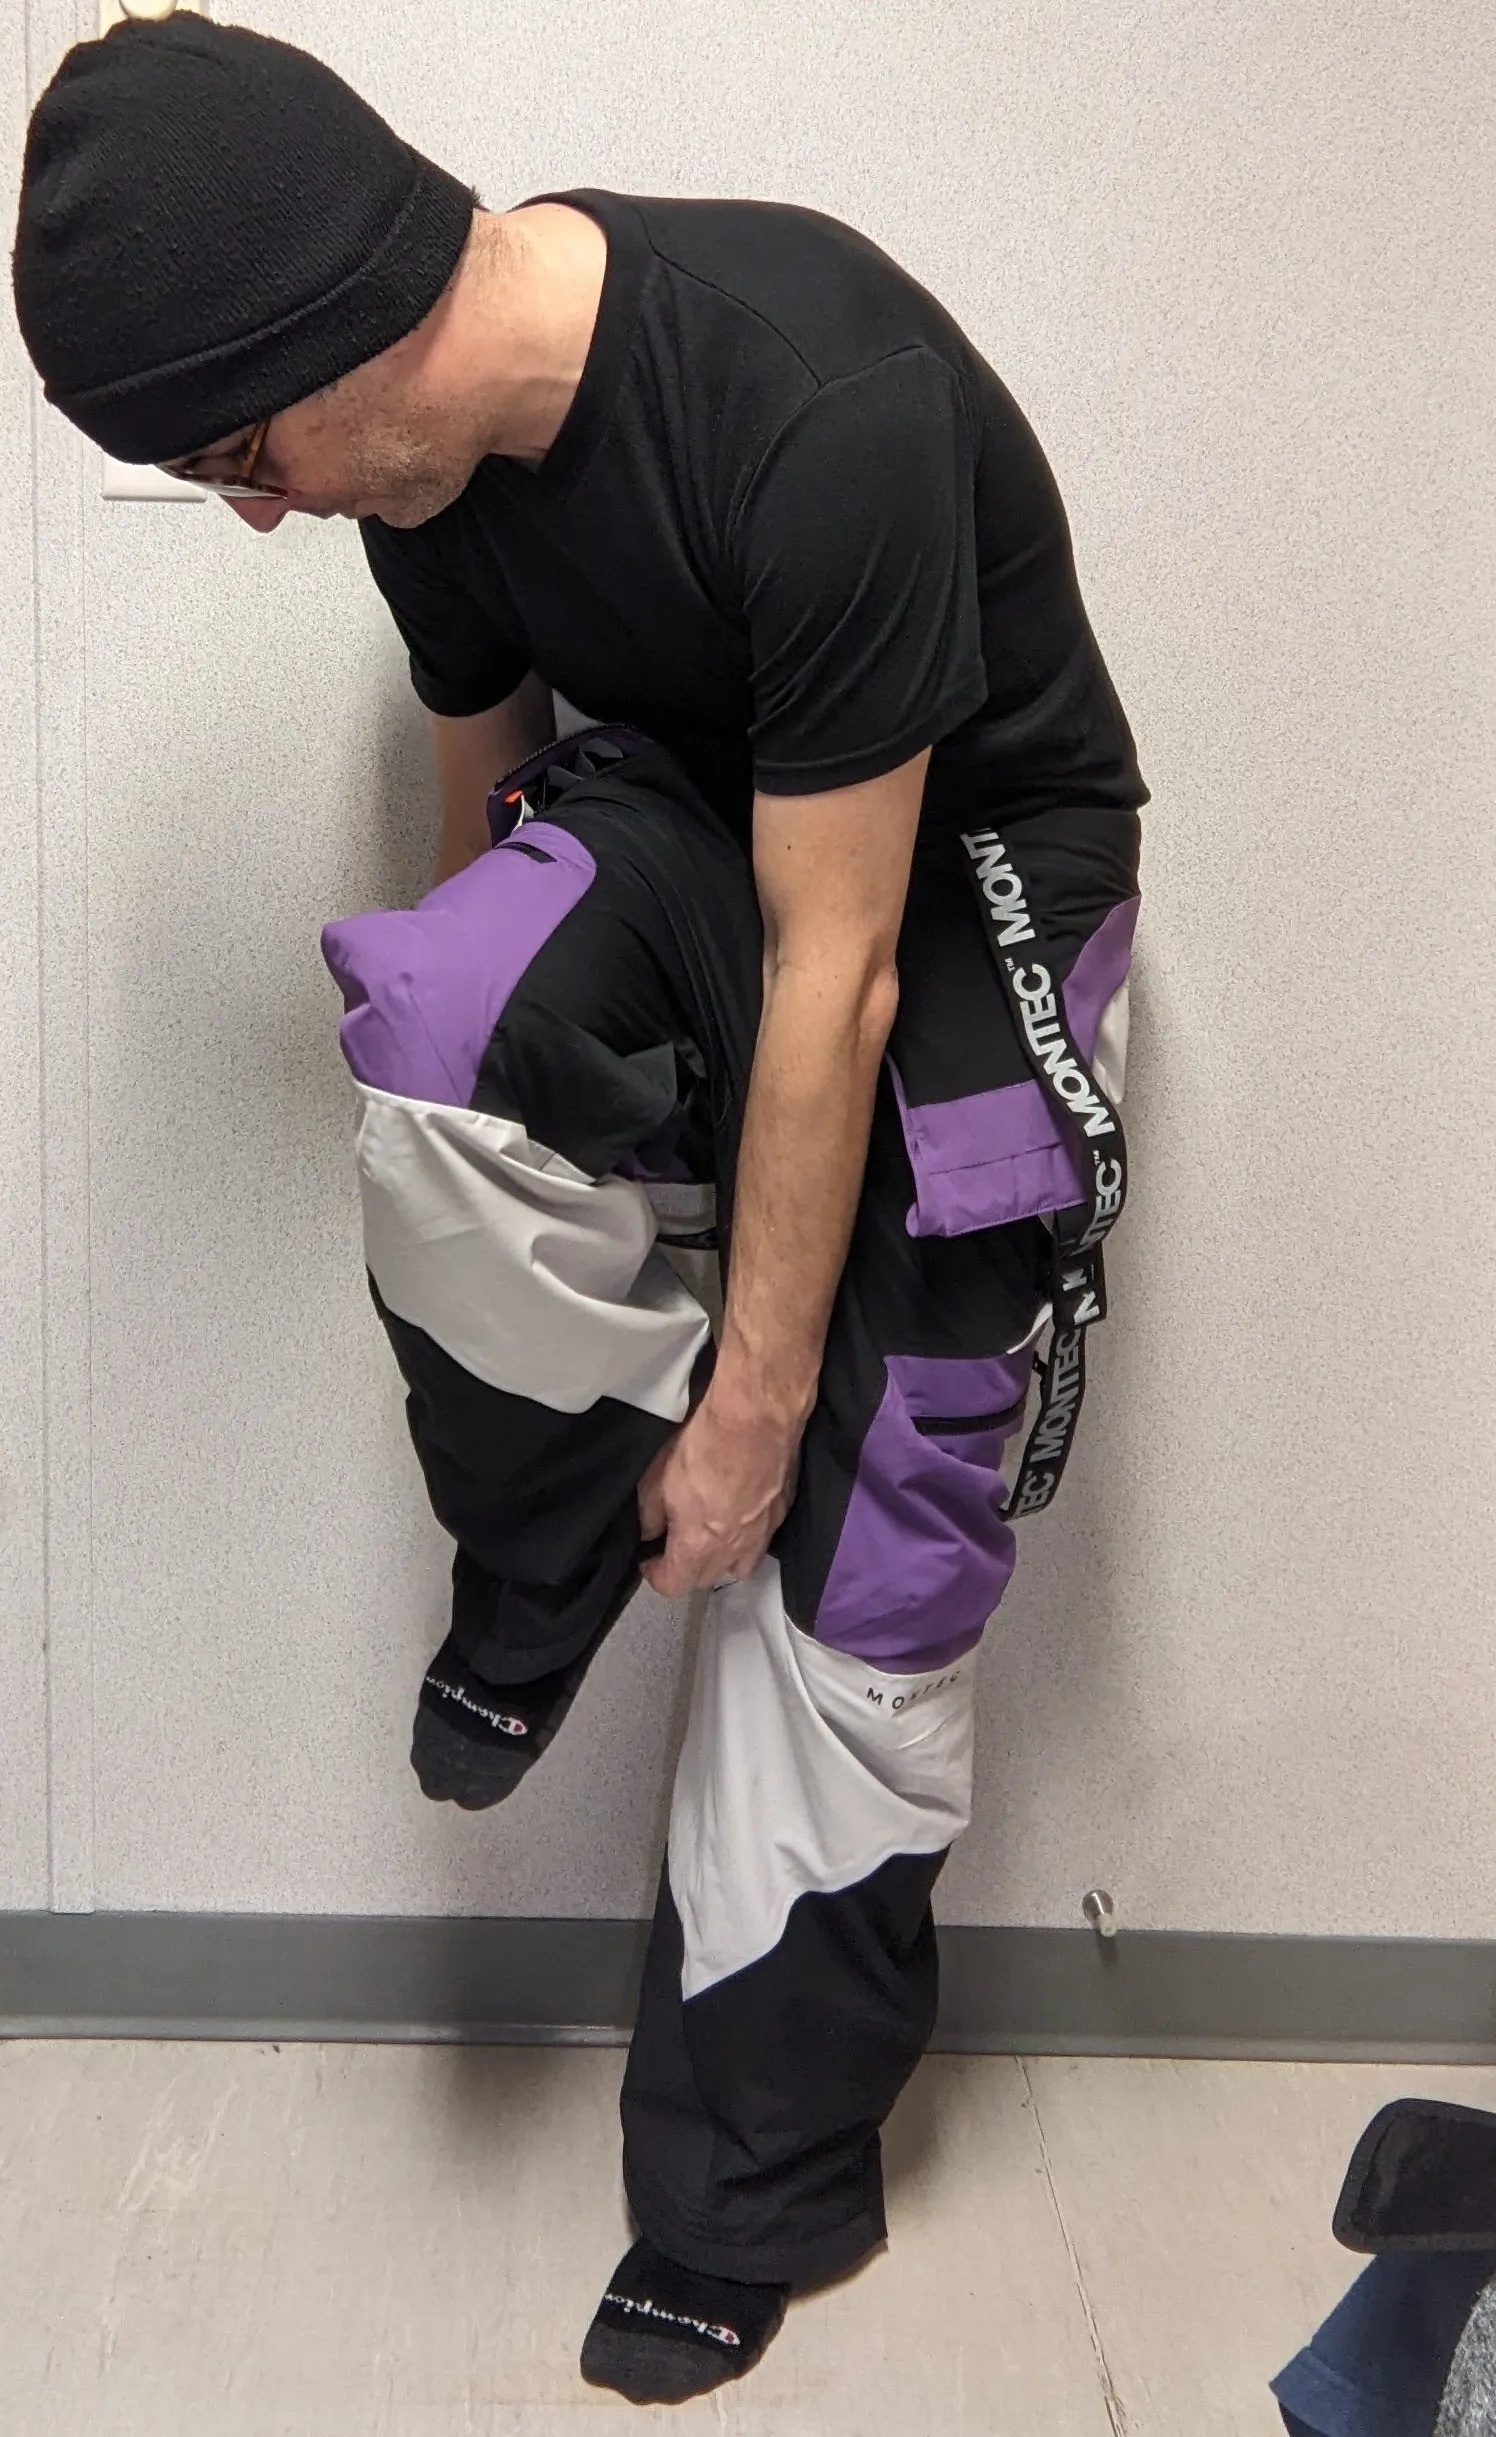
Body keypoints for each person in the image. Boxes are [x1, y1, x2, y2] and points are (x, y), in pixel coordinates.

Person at [13, 15, 1148, 2403]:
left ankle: (754, 2186)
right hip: (712, 834)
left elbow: (838, 970)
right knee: (430, 1009)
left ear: (343, 321)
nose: (253, 513)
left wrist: (748, 1412)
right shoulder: (421, 484)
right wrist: (529, 1106)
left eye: (240, 455)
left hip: (959, 891)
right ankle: (547, 1570)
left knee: (871, 1523)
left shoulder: (807, 398)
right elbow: (489, 848)